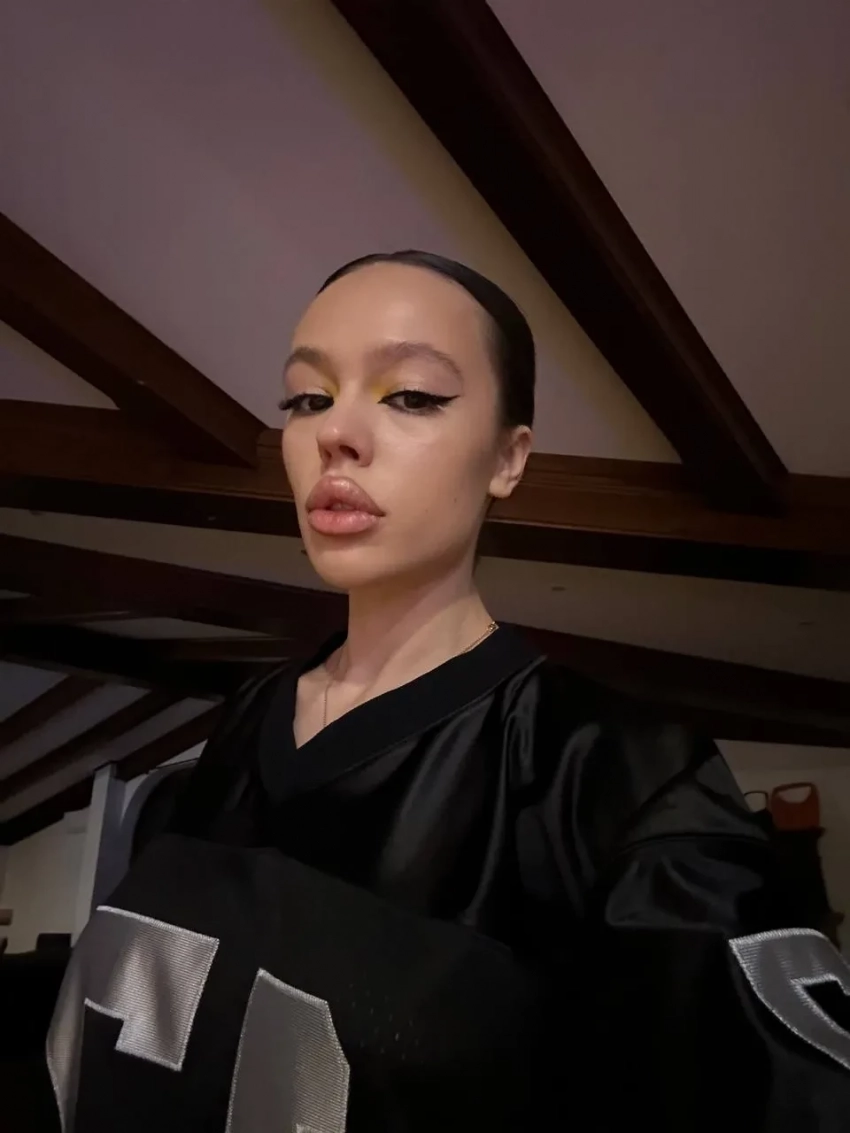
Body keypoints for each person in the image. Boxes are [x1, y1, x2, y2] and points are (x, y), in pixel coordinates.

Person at [47, 252, 850, 1132]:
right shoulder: (245, 719)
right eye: (308, 398)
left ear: (509, 458)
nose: (336, 433)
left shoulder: (619, 774)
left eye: (411, 395)